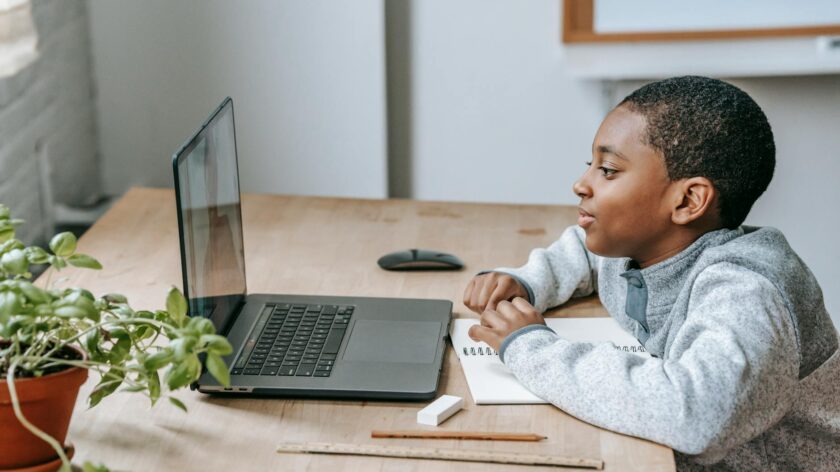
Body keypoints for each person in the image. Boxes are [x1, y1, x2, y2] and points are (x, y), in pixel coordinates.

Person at [464, 76, 840, 471]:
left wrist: (532, 348)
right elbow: (585, 252)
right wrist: (528, 281)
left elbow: (697, 415)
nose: (580, 184)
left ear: (688, 200)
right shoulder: (642, 247)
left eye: (608, 170)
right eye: (589, 165)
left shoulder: (748, 292)